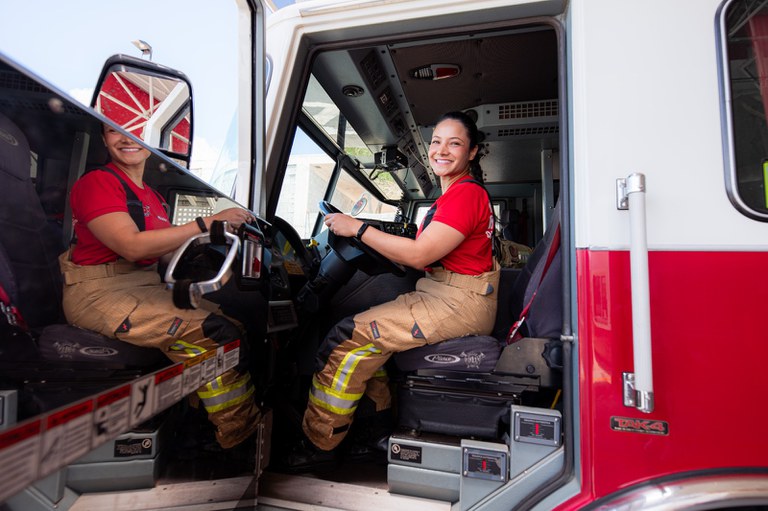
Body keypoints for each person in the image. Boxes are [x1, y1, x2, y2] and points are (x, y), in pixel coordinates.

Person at [301, 111, 499, 453]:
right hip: (446, 296)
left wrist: (358, 229)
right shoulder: (451, 197)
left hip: (457, 303)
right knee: (366, 332)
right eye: (436, 142)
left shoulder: (466, 195)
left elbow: (420, 255)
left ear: (472, 152)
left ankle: (317, 445)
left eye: (455, 143)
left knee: (347, 338)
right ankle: (371, 429)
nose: (441, 150)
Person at [59, 124, 262, 450]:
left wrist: (213, 237)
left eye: (138, 131)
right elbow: (133, 247)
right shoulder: (98, 183)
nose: (127, 139)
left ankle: (201, 428)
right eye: (114, 131)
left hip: (143, 286)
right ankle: (238, 439)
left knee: (235, 322)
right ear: (103, 139)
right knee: (213, 333)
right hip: (99, 292)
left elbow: (165, 252)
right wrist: (205, 223)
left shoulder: (150, 195)